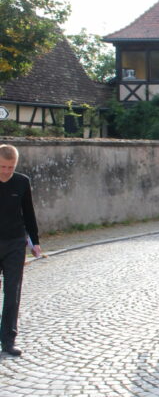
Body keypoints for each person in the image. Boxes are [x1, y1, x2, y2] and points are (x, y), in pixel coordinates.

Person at [0, 144, 42, 356]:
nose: (6, 171)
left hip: (15, 243)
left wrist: (35, 241)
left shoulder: (22, 182)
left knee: (12, 293)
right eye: (2, 166)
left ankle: (8, 340)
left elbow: (29, 213)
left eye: (10, 167)